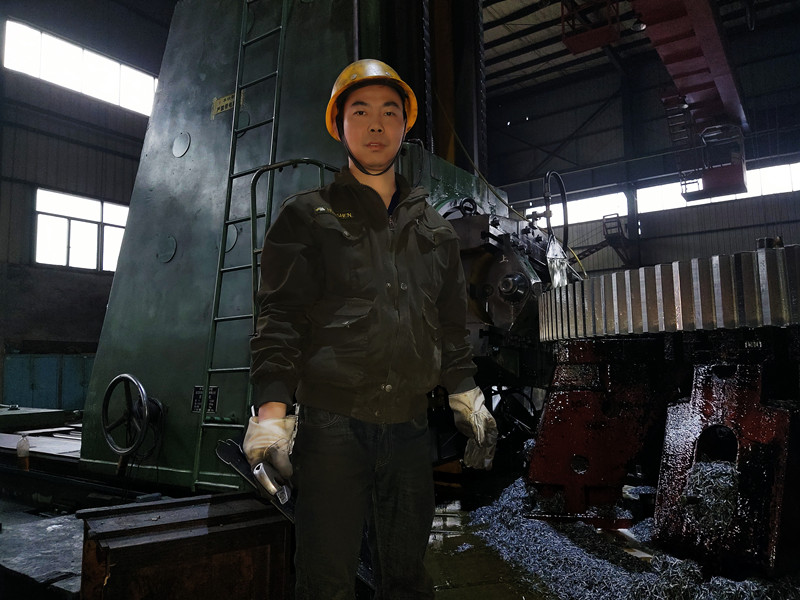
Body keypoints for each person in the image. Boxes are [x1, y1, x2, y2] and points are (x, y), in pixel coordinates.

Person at [242, 58, 498, 600]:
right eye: (360, 112)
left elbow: (450, 325)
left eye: (389, 112)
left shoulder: (436, 231)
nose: (376, 124)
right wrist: (270, 414)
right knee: (325, 582)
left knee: (406, 580)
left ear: (405, 126)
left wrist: (466, 393)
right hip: (332, 429)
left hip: (409, 432)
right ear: (340, 126)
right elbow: (280, 319)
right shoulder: (306, 216)